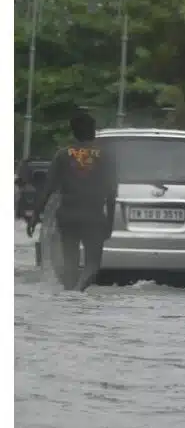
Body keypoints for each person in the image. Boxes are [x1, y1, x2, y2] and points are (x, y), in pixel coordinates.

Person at [28, 110, 118, 292]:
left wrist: (35, 215)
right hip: (93, 216)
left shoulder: (62, 155)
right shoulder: (106, 156)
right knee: (92, 265)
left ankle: (70, 296)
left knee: (70, 263)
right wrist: (109, 222)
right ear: (93, 131)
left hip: (67, 215)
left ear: (74, 132)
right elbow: (111, 192)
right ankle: (77, 293)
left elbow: (48, 188)